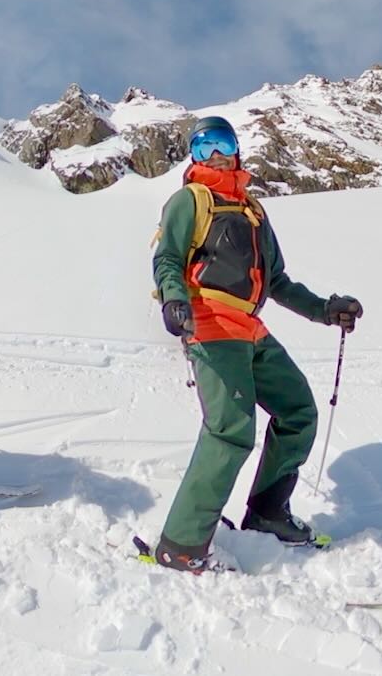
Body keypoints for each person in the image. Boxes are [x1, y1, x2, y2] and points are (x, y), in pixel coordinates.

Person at [151, 116, 363, 572]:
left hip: (249, 327)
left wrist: (326, 309)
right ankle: (181, 546)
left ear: (237, 148)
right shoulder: (191, 201)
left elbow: (279, 281)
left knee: (298, 409)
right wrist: (174, 301)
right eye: (204, 146)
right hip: (208, 322)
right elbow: (167, 257)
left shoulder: (253, 211)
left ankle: (267, 514)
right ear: (193, 156)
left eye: (222, 143)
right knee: (231, 431)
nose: (215, 154)